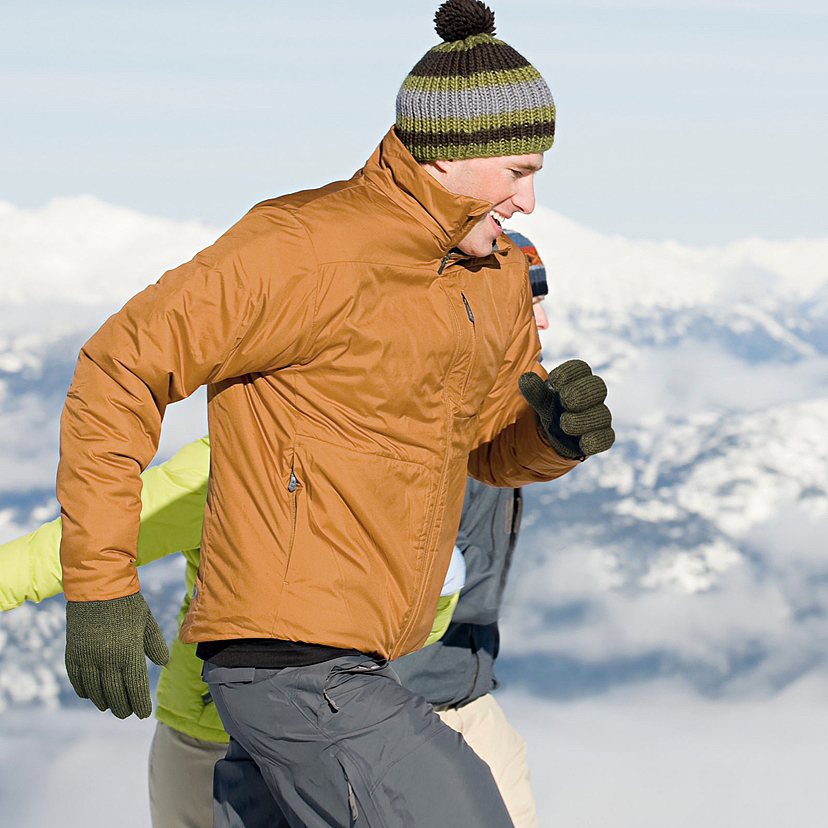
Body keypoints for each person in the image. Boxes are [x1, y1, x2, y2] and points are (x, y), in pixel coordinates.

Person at [56, 0, 614, 825]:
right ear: (446, 155)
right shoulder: (300, 250)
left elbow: (490, 449)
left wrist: (551, 437)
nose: (529, 202)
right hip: (286, 658)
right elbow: (119, 370)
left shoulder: (492, 276)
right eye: (518, 171)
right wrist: (99, 585)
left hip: (369, 655)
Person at [1, 228, 547, 828]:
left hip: (427, 715)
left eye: (533, 304)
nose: (531, 324)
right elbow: (68, 545)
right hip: (234, 738)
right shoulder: (244, 455)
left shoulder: (496, 432)